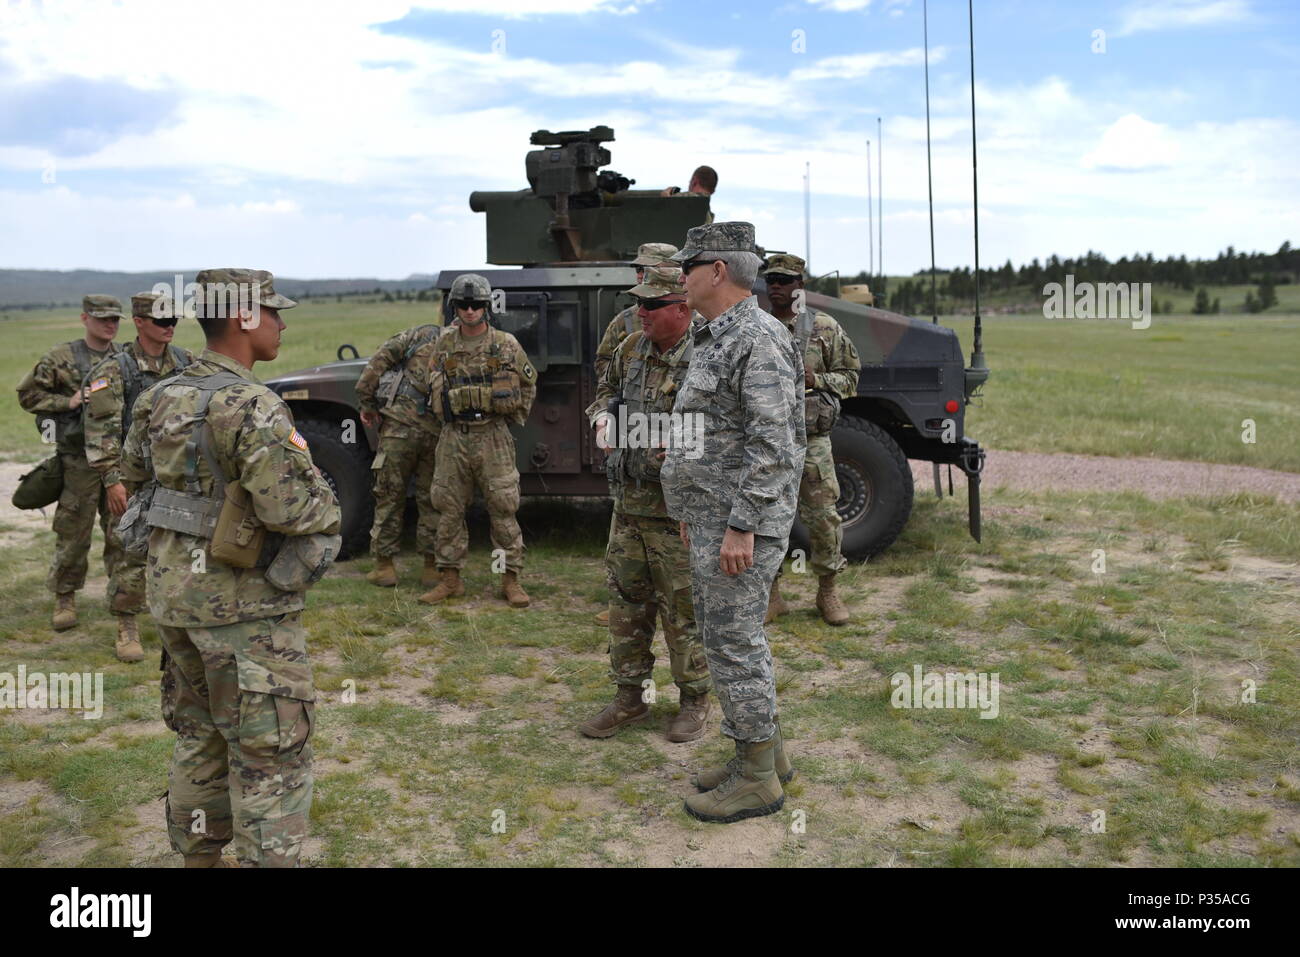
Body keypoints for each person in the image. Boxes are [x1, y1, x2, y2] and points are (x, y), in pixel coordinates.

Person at [121, 268, 340, 867]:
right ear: (244, 317)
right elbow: (290, 508)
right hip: (243, 608)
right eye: (273, 312)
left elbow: (134, 474)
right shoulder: (254, 404)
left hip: (173, 599)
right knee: (271, 751)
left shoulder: (160, 394)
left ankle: (199, 859)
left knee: (200, 737)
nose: (281, 324)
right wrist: (327, 502)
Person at [661, 222, 804, 823]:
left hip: (738, 525)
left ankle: (756, 779)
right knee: (732, 637)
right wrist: (691, 510)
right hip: (712, 516)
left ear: (717, 270)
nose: (680, 277)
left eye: (688, 266)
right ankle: (767, 756)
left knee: (732, 641)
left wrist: (742, 526)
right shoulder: (716, 334)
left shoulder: (756, 338)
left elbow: (773, 446)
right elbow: (710, 431)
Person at [580, 264, 712, 742]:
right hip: (629, 504)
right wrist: (601, 419)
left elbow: (727, 426)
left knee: (683, 609)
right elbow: (605, 391)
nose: (641, 312)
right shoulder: (631, 348)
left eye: (652, 304)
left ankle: (694, 699)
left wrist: (683, 443)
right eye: (639, 303)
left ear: (682, 308)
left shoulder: (707, 354)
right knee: (627, 604)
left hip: (679, 512)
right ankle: (629, 697)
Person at [83, 292, 196, 660]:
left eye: (173, 320)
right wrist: (112, 480)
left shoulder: (187, 363)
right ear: (139, 322)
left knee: (183, 548)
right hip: (134, 477)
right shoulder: (114, 370)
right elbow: (101, 430)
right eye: (161, 321)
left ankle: (181, 620)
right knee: (129, 548)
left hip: (179, 475)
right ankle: (127, 623)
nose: (169, 327)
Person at [419, 273, 537, 608]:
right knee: (448, 508)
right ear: (454, 307)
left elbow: (528, 383)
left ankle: (509, 579)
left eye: (476, 305)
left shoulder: (505, 344)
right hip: (454, 437)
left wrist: (510, 417)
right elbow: (430, 381)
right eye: (463, 304)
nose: (469, 310)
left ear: (486, 307)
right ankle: (450, 579)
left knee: (502, 509)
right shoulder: (444, 344)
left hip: (492, 437)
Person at [761, 254, 860, 626]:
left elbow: (851, 378)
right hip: (766, 440)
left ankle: (827, 591)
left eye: (784, 280)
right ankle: (772, 595)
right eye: (771, 279)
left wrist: (815, 380)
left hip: (811, 439)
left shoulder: (823, 326)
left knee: (822, 517)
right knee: (765, 518)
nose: (776, 285)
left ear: (799, 285)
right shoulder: (756, 326)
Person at [16, 294, 125, 632]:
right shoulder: (61, 357)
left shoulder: (125, 358)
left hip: (117, 461)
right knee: (73, 533)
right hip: (78, 461)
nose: (109, 324)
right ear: (84, 318)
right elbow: (27, 396)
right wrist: (69, 402)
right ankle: (65, 597)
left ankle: (124, 603)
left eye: (115, 319)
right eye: (102, 318)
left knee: (122, 533)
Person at [592, 241, 678, 627]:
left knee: (683, 611)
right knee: (627, 595)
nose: (642, 275)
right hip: (631, 481)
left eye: (651, 269)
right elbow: (606, 379)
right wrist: (604, 418)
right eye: (640, 269)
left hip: (677, 497)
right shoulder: (627, 334)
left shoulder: (705, 343)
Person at [355, 321, 446, 588]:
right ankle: (431, 568)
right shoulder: (460, 342)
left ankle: (384, 567)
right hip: (436, 434)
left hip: (398, 430)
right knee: (431, 500)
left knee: (389, 496)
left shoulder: (416, 335)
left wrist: (367, 404)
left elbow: (377, 364)